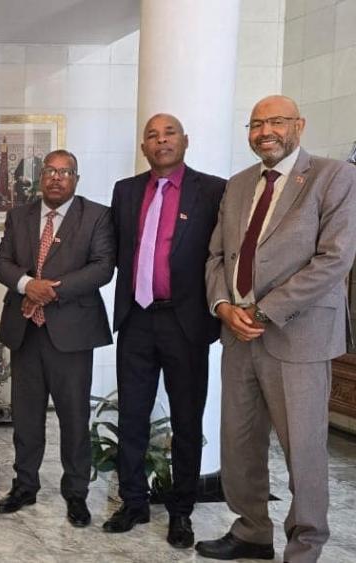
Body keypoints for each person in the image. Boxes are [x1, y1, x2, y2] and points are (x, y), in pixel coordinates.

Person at [197, 95, 356, 562]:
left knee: (302, 450)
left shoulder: (333, 177)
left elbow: (335, 259)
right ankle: (251, 531)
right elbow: (216, 256)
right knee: (239, 442)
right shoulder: (238, 185)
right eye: (256, 124)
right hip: (237, 334)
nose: (265, 131)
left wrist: (264, 311)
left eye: (277, 121)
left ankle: (304, 546)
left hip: (297, 336)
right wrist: (223, 305)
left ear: (298, 126)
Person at [104, 114, 225, 548]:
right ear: (144, 148)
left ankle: (181, 512)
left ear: (185, 140)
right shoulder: (126, 191)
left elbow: (222, 254)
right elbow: (116, 249)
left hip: (185, 321)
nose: (161, 141)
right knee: (132, 416)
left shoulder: (213, 190)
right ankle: (134, 502)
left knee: (186, 420)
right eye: (152, 136)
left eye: (169, 133)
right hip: (136, 318)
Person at [0, 149, 114, 526]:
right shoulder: (20, 216)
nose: (57, 178)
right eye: (50, 171)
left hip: (72, 334)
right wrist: (28, 284)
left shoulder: (96, 215)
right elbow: (2, 263)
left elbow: (102, 268)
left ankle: (76, 493)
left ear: (76, 179)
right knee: (26, 416)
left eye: (65, 172)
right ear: (41, 177)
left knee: (74, 418)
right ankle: (24, 485)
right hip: (26, 331)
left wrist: (51, 290)